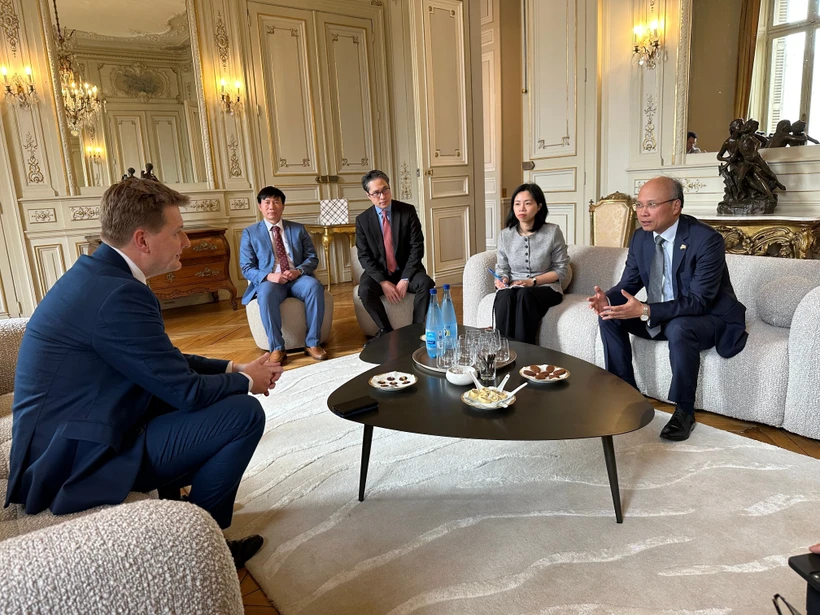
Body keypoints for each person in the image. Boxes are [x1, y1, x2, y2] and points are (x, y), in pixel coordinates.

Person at [4, 178, 281, 569]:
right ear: (143, 240)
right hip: (71, 461)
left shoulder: (99, 275)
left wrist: (232, 367)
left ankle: (178, 512)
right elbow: (185, 392)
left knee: (202, 397)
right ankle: (202, 550)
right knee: (242, 414)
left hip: (68, 435)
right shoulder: (119, 293)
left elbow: (160, 359)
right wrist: (248, 382)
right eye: (178, 231)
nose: (186, 241)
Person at [587, 176, 748, 441]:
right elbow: (629, 282)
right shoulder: (641, 238)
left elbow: (699, 301)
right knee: (610, 315)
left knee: (680, 326)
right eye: (639, 205)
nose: (642, 212)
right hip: (662, 312)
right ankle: (627, 395)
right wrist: (608, 298)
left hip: (708, 318)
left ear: (675, 206)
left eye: (651, 204)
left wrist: (647, 310)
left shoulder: (706, 240)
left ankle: (685, 411)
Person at [240, 186, 326, 365]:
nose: (272, 206)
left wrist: (299, 271)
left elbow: (312, 258)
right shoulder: (250, 233)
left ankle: (312, 343)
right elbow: (246, 267)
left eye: (276, 202)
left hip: (297, 278)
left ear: (283, 206)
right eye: (267, 202)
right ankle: (277, 348)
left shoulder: (298, 229)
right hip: (270, 281)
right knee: (265, 293)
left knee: (314, 287)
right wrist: (270, 276)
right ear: (260, 206)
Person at [355, 170, 434, 343]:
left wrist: (405, 278)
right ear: (368, 195)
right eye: (376, 193)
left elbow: (417, 247)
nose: (382, 196)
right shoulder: (362, 220)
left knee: (426, 283)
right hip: (380, 272)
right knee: (365, 290)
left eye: (385, 190)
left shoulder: (407, 211)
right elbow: (364, 256)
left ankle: (416, 329)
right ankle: (386, 331)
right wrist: (383, 282)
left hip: (406, 269)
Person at [493, 183, 570, 345]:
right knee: (504, 296)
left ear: (539, 207)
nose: (522, 208)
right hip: (514, 287)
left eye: (528, 203)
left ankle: (525, 353)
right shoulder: (505, 235)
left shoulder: (553, 232)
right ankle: (502, 350)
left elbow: (561, 271)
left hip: (546, 288)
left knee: (525, 295)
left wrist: (532, 282)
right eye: (517, 203)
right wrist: (502, 280)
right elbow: (502, 268)